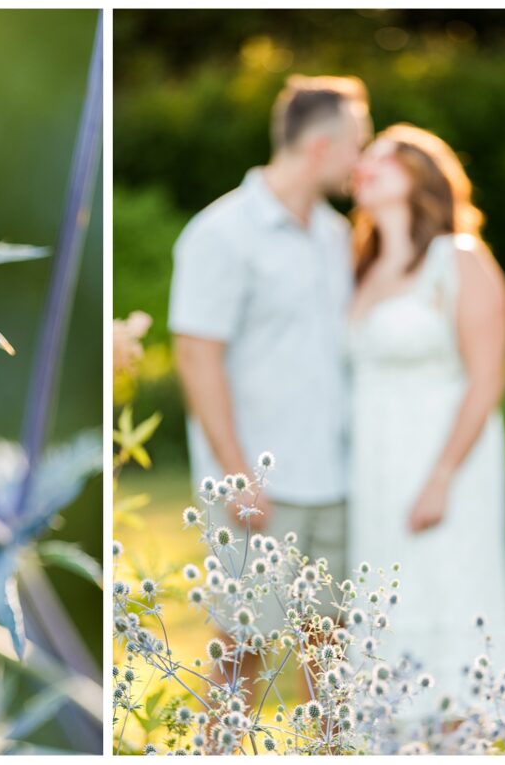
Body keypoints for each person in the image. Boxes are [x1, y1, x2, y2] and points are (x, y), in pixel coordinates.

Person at [169, 75, 371, 683]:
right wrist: (237, 475)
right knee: (241, 654)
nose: (360, 161)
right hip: (258, 485)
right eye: (356, 145)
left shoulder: (339, 237)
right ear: (320, 147)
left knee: (329, 657)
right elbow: (196, 357)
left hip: (334, 481)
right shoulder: (222, 232)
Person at [347, 123, 505, 715]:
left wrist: (442, 474)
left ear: (418, 178)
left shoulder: (459, 259)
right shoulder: (362, 264)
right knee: (385, 599)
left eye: (380, 160)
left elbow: (487, 375)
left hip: (442, 457)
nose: (361, 169)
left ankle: (456, 732)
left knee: (444, 590)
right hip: (374, 464)